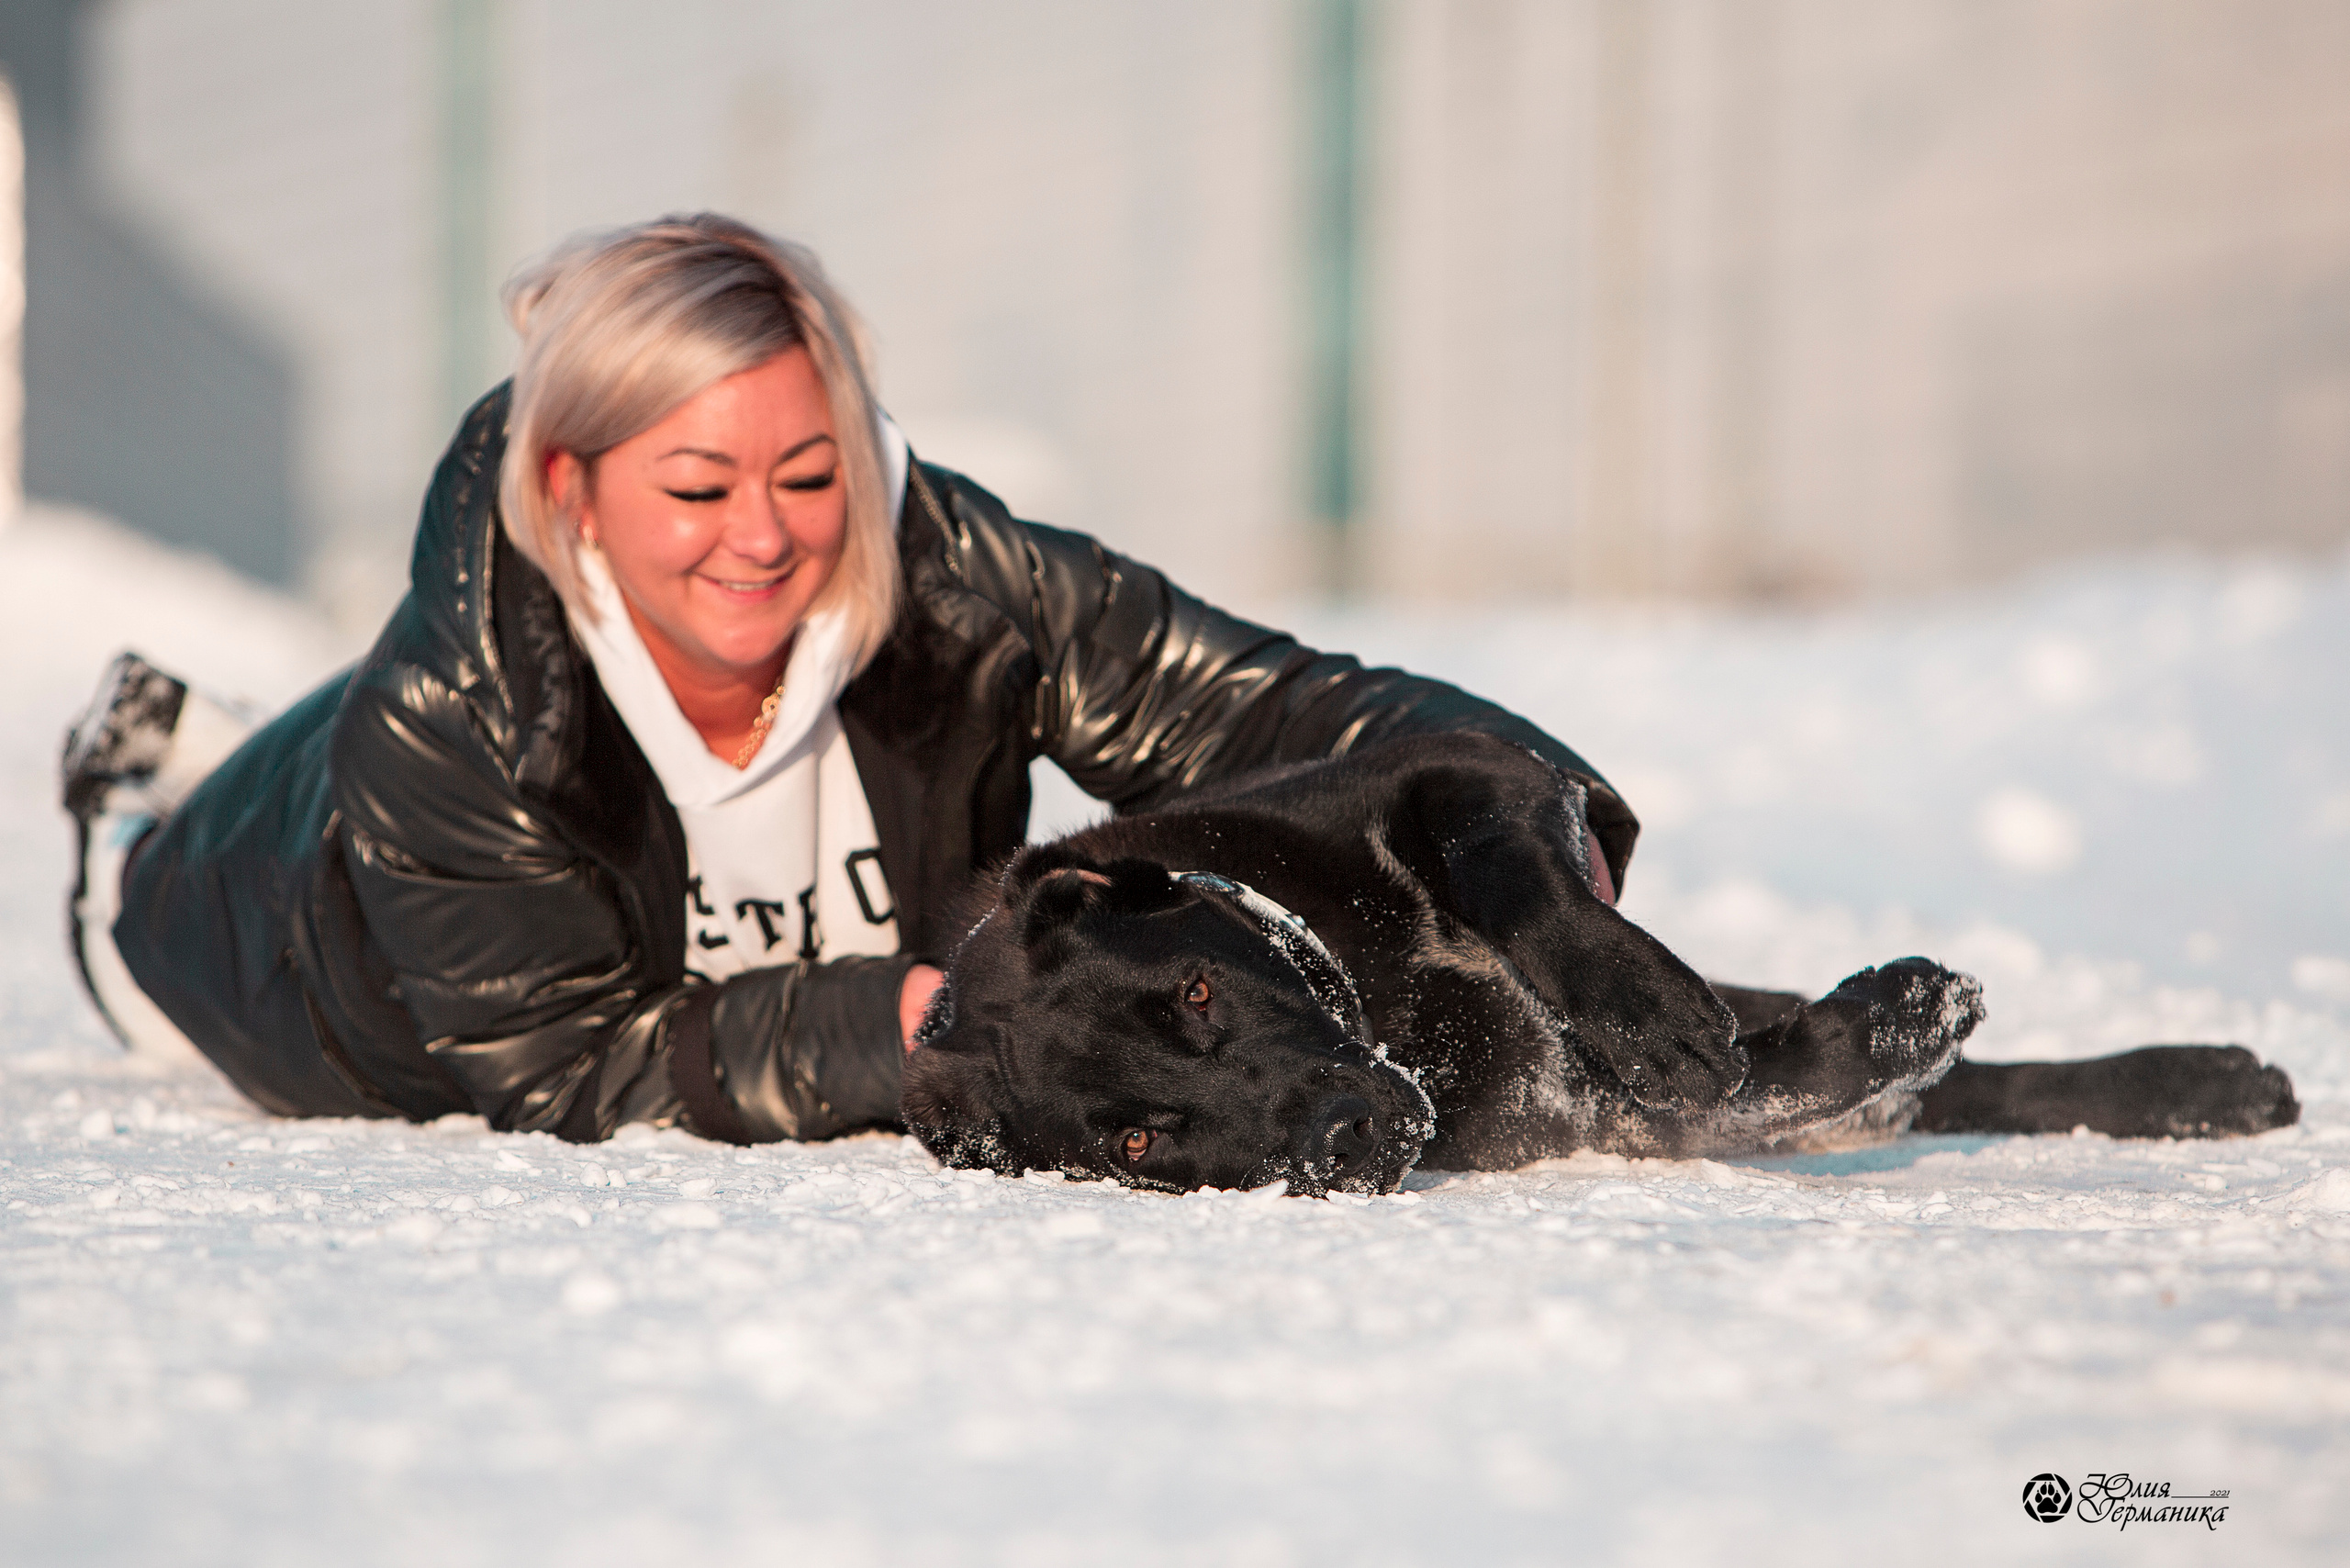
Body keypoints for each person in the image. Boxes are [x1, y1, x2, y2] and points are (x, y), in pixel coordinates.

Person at [61, 213, 1634, 1147]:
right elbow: (561, 1067)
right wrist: (897, 1021)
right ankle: (165, 780)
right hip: (272, 936)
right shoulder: (458, 719)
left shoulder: (943, 566)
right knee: (192, 873)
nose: (765, 538)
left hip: (445, 800)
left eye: (808, 472)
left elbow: (1271, 712)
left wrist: (1532, 847)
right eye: (697, 488)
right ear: (570, 485)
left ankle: (226, 741)